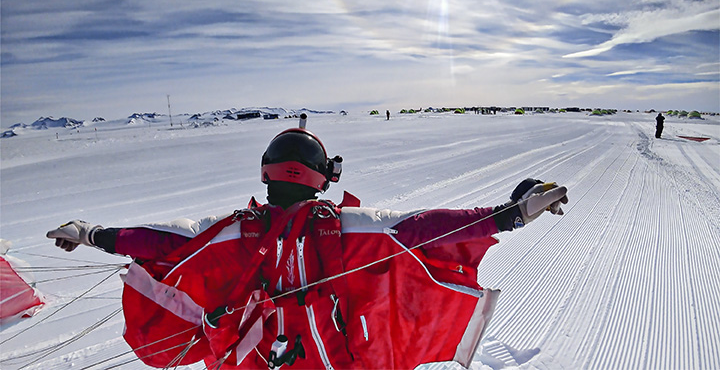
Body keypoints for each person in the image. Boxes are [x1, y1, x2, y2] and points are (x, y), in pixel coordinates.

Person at [47, 121, 568, 369]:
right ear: (323, 177)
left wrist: (89, 233)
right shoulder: (353, 228)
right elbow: (426, 227)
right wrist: (511, 213)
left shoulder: (225, 232)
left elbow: (157, 242)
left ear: (267, 174)